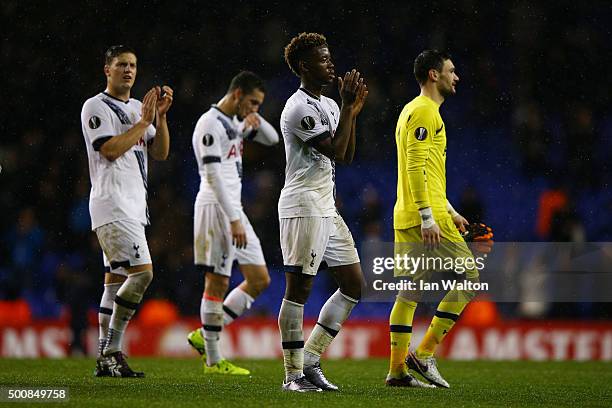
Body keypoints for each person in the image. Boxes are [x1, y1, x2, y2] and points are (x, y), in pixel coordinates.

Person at [277, 32, 368, 392]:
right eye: (323, 59)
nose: (331, 64)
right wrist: (348, 108)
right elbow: (337, 152)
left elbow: (347, 153)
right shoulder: (297, 108)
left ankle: (312, 360)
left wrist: (350, 111)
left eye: (330, 58)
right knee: (298, 289)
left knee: (354, 285)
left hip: (325, 207)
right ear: (304, 66)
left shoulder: (329, 104)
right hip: (302, 206)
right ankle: (292, 375)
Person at [387, 50, 478, 388]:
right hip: (425, 215)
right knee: (470, 276)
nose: (457, 77)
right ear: (433, 75)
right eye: (452, 71)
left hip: (409, 211)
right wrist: (430, 216)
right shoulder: (426, 112)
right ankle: (424, 353)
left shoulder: (410, 110)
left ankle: (397, 370)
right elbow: (414, 167)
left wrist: (451, 211)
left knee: (409, 292)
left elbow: (427, 171)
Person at [80, 45, 173, 377]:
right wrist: (143, 123)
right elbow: (108, 150)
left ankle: (105, 360)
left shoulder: (138, 107)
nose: (129, 70)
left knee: (114, 282)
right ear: (107, 69)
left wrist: (158, 119)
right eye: (121, 64)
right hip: (112, 204)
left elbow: (160, 152)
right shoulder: (96, 106)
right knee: (143, 274)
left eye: (133, 65)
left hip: (134, 208)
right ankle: (112, 350)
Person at [187, 71, 278, 375]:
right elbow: (213, 177)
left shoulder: (234, 124)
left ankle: (206, 333)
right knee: (217, 280)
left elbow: (273, 138)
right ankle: (214, 361)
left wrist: (252, 120)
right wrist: (234, 219)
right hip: (216, 208)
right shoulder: (209, 124)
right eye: (252, 103)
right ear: (237, 94)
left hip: (234, 210)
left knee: (259, 278)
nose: (255, 109)